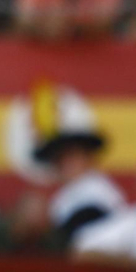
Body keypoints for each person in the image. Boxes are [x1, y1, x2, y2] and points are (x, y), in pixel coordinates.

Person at [34, 101, 125, 238]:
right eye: (59, 159)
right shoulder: (63, 196)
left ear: (89, 159)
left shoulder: (98, 193)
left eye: (71, 156)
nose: (65, 164)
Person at [0, 193, 67, 255]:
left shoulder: (48, 238)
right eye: (37, 213)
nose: (42, 219)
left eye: (45, 213)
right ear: (21, 212)